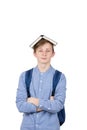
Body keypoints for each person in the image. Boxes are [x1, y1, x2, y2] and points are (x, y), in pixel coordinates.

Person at [16, 35, 66, 130]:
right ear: (35, 53)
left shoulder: (60, 77)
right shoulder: (24, 76)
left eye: (48, 51)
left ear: (53, 54)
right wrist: (48, 104)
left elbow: (58, 105)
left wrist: (35, 101)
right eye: (40, 50)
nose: (44, 54)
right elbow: (20, 105)